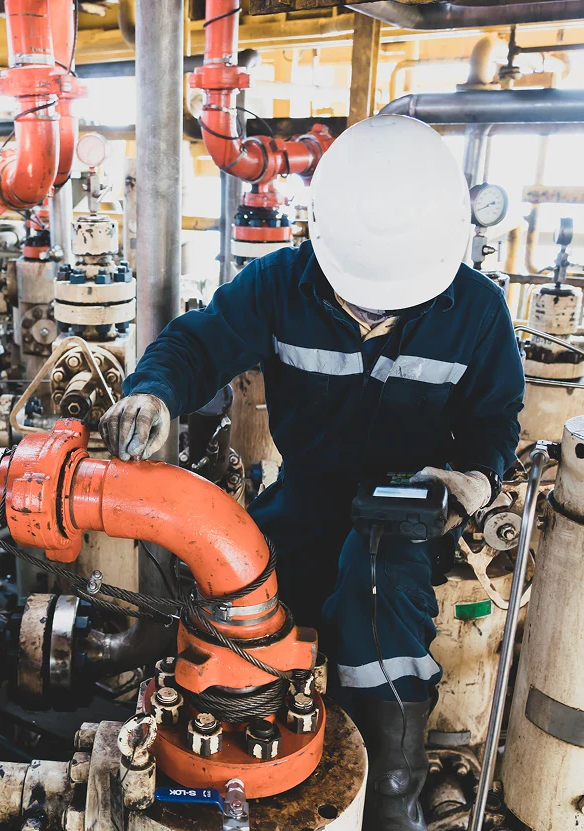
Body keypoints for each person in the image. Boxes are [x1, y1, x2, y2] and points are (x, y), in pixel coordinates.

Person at [99, 115, 525, 831]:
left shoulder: (477, 311)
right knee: (232, 597)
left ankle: (390, 800)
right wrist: (154, 393)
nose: (375, 306)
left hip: (405, 519)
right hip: (304, 499)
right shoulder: (279, 285)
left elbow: (495, 421)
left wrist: (473, 480)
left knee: (374, 601)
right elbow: (197, 344)